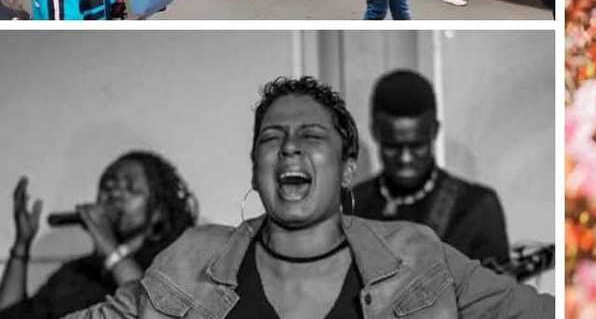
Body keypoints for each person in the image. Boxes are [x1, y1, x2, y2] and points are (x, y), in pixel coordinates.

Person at [63, 77, 553, 318]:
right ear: (256, 170)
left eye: (312, 136)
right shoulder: (189, 259)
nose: (290, 146)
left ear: (348, 167)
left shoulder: (419, 254)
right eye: (272, 137)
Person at [0, 153, 197, 319]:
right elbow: (11, 315)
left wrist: (110, 247)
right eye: (108, 186)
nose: (114, 195)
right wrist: (21, 246)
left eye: (130, 189)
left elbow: (152, 311)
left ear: (158, 212)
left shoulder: (169, 266)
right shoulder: (75, 273)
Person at [352, 70, 510, 266]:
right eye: (393, 147)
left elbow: (498, 294)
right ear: (375, 132)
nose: (405, 158)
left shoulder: (476, 208)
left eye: (417, 146)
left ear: (435, 130)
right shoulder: (351, 207)